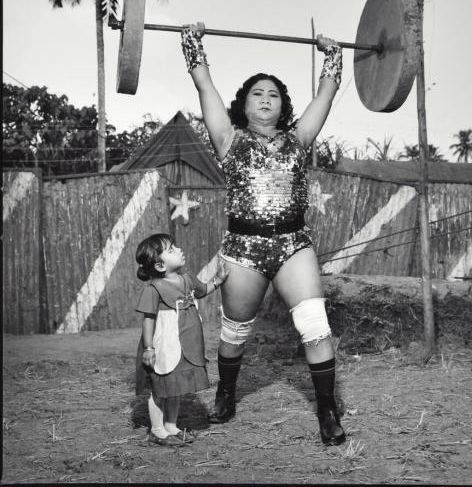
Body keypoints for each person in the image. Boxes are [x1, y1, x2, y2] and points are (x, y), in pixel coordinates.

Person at [179, 23, 346, 446]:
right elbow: (203, 85)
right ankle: (226, 392)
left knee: (315, 325)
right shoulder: (227, 139)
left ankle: (327, 410)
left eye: (273, 93)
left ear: (283, 105)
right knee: (234, 333)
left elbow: (326, 93)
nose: (266, 98)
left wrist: (333, 53)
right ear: (244, 104)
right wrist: (193, 40)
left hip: (293, 246)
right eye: (258, 92)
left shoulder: (299, 139)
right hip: (242, 249)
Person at [134, 233, 229, 446]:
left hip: (186, 342)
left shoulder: (187, 279)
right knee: (161, 388)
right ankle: (157, 431)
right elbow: (148, 320)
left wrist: (219, 280)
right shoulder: (153, 289)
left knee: (175, 387)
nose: (179, 249)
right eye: (171, 250)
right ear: (159, 266)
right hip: (165, 344)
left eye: (175, 246)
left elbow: (203, 291)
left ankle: (171, 426)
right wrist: (149, 348)